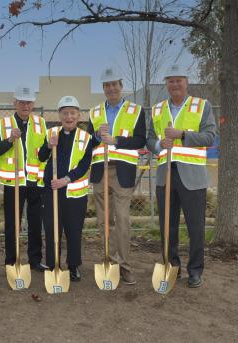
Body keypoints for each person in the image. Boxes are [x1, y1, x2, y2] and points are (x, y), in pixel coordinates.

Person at [146, 65, 216, 288]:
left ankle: (195, 271)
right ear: (166, 83)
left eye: (179, 80)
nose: (174, 85)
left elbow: (210, 137)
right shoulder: (157, 110)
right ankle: (171, 266)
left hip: (192, 177)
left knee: (196, 227)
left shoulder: (201, 106)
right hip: (165, 175)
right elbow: (149, 139)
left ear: (186, 82)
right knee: (168, 226)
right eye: (170, 81)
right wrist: (159, 144)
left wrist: (182, 135)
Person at [87, 67, 146, 285]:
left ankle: (125, 266)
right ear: (103, 88)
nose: (111, 88)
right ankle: (109, 264)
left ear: (121, 86)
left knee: (122, 220)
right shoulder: (94, 113)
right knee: (104, 221)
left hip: (123, 171)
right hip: (100, 170)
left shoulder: (136, 110)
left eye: (114, 84)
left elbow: (140, 140)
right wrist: (96, 135)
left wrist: (117, 141)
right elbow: (87, 142)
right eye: (107, 85)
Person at [0, 86, 48, 271]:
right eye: (21, 102)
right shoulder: (4, 124)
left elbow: (44, 153)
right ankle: (11, 261)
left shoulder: (41, 123)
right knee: (12, 223)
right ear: (15, 104)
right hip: (13, 182)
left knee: (35, 222)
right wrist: (8, 141)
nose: (25, 105)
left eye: (28, 102)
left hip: (35, 182)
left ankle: (35, 260)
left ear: (33, 105)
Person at [39, 96, 92, 281]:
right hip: (51, 191)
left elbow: (84, 165)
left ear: (78, 115)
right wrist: (48, 145)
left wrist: (66, 180)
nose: (69, 117)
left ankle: (73, 265)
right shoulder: (51, 132)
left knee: (73, 230)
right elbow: (41, 156)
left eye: (72, 113)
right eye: (65, 113)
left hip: (75, 193)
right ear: (59, 115)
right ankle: (53, 264)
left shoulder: (86, 138)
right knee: (52, 228)